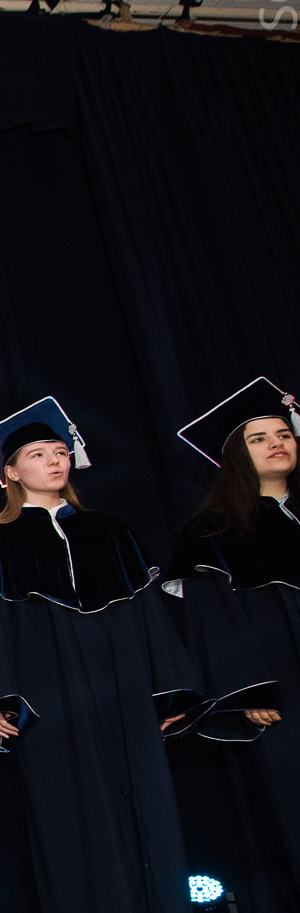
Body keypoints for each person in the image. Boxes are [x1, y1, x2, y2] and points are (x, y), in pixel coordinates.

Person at [0, 398, 214, 913]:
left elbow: (151, 620)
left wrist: (169, 692)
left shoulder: (111, 532)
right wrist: (1, 698)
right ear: (10, 471)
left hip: (121, 683)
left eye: (60, 452)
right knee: (75, 810)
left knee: (139, 800)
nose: (54, 461)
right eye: (37, 454)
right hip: (48, 692)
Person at [166, 378, 297, 882]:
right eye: (259, 438)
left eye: (283, 433)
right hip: (284, 684)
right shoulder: (214, 530)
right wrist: (248, 690)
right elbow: (214, 621)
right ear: (236, 456)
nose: (276, 443)